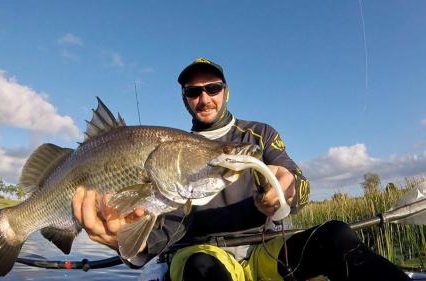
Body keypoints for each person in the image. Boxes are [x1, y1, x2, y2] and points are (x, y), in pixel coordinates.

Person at [72, 58, 411, 281]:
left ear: (226, 91)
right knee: (202, 269)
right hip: (201, 256)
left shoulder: (260, 135)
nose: (204, 98)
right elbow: (164, 232)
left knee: (336, 235)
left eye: (213, 88)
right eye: (193, 91)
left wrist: (287, 190)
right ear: (185, 99)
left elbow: (299, 184)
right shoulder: (170, 156)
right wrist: (125, 241)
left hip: (266, 250)